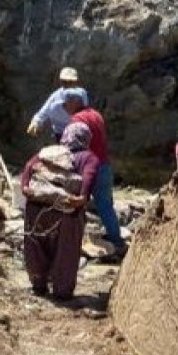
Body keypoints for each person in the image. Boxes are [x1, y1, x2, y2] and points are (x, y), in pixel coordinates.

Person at [19, 122, 100, 300]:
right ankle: (62, 292)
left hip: (37, 208)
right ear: (85, 139)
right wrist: (82, 198)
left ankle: (38, 285)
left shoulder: (48, 153)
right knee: (66, 251)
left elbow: (27, 168)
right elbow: (88, 177)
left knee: (36, 246)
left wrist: (26, 188)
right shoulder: (88, 157)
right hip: (67, 212)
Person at [60, 87, 125, 255]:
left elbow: (71, 145)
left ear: (76, 102)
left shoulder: (77, 120)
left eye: (66, 103)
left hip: (87, 166)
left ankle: (73, 240)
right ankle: (116, 240)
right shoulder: (96, 115)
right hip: (104, 165)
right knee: (106, 205)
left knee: (77, 204)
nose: (64, 107)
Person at [26, 67, 88, 140]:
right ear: (61, 81)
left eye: (70, 82)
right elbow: (44, 111)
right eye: (65, 81)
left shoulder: (82, 94)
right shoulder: (56, 96)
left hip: (77, 133)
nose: (67, 84)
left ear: (76, 82)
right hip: (60, 134)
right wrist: (35, 122)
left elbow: (86, 112)